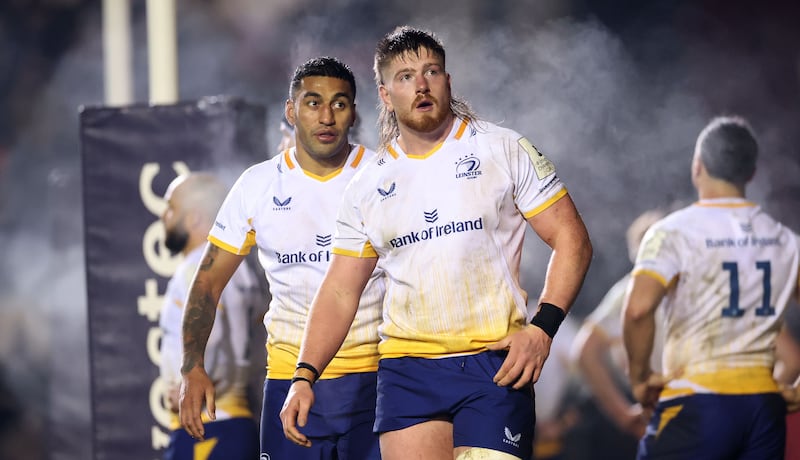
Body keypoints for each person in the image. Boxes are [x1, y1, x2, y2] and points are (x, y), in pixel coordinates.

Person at [280, 26, 593, 460]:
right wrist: (303, 375)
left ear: (448, 81)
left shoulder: (502, 148)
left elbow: (572, 239)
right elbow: (339, 290)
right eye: (406, 76)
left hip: (494, 363)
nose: (421, 84)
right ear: (386, 95)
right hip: (407, 373)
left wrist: (542, 329)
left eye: (432, 71)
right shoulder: (367, 184)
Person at [179, 56, 385, 460]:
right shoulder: (257, 185)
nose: (326, 116)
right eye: (312, 103)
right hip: (289, 384)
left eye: (339, 104)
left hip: (377, 382)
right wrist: (192, 366)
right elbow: (207, 282)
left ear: (353, 112)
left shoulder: (383, 175)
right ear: (290, 110)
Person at [622, 115, 800, 459]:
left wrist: (641, 379)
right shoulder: (786, 241)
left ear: (697, 166)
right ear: (751, 173)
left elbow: (638, 308)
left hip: (697, 400)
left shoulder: (672, 232)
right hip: (764, 410)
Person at [158, 172, 260, 460]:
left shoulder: (198, 270)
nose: (164, 217)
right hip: (237, 421)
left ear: (194, 218)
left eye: (171, 208)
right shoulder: (243, 270)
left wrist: (187, 384)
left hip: (207, 426)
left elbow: (209, 332)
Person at [569, 209, 667, 458]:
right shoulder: (632, 290)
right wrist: (623, 415)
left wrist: (623, 416)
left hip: (665, 418)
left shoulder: (629, 290)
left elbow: (585, 352)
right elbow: (585, 352)